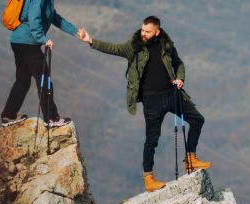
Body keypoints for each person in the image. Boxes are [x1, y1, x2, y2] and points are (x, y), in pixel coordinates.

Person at [86, 16, 209, 191]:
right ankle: (149, 178)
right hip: (151, 100)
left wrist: (180, 78)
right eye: (142, 30)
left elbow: (178, 63)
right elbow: (113, 48)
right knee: (152, 139)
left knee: (198, 120)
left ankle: (190, 159)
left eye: (147, 31)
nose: (143, 33)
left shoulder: (166, 44)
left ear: (157, 32)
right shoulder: (134, 46)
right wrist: (90, 41)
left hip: (172, 94)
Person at [1, 0, 90, 128]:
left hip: (18, 41)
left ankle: (8, 115)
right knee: (44, 79)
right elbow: (34, 21)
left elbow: (53, 17)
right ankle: (51, 118)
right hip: (28, 43)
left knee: (22, 80)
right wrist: (43, 39)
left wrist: (75, 31)